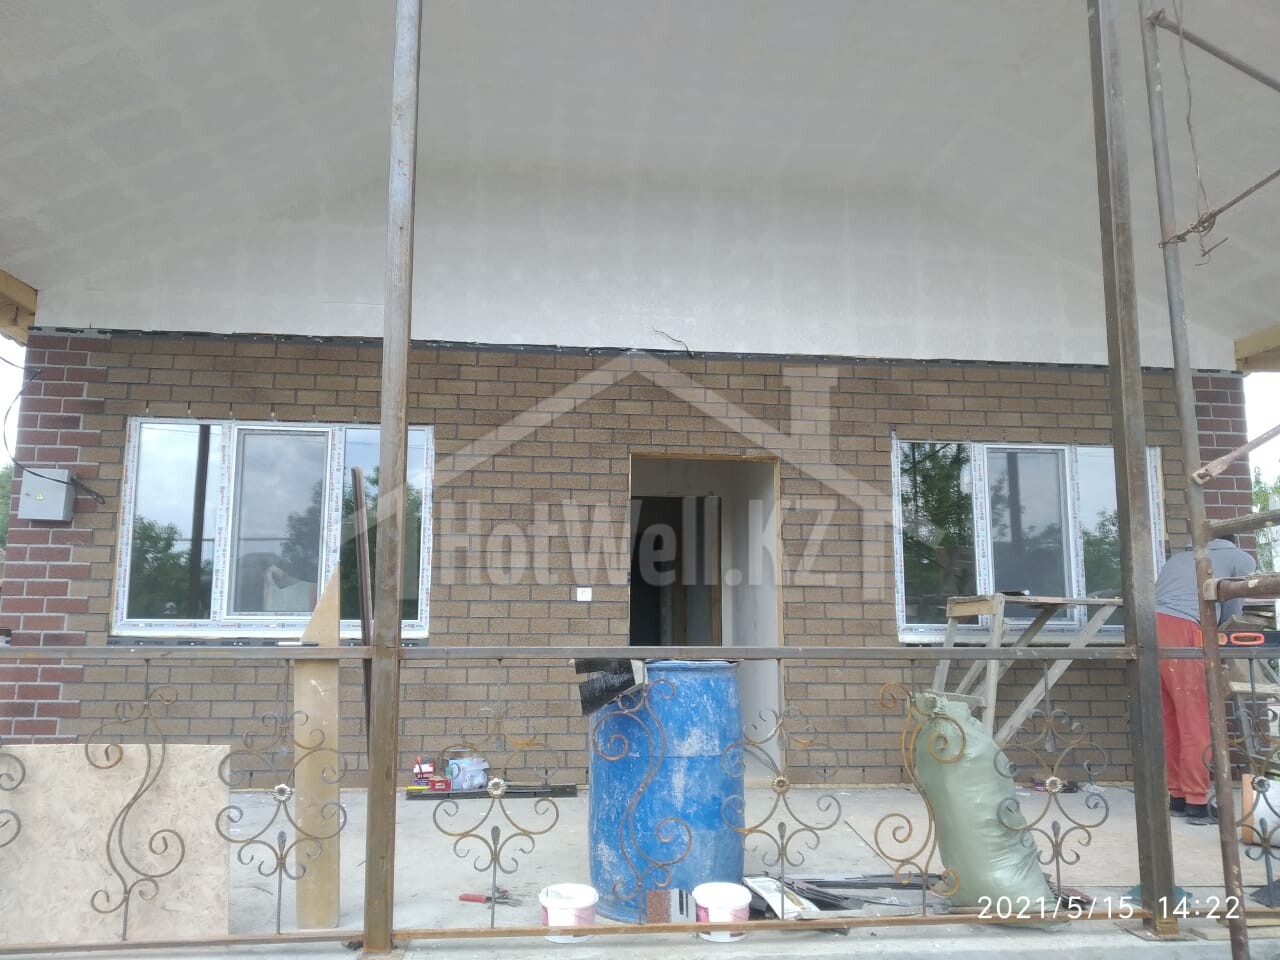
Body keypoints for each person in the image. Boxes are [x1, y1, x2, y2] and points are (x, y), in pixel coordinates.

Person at [1154, 535, 1256, 823]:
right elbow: (1234, 608)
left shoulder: (1179, 557)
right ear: (1233, 542)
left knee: (1171, 718)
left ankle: (1178, 796)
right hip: (1184, 627)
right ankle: (1197, 802)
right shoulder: (1240, 558)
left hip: (1151, 627)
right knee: (1195, 718)